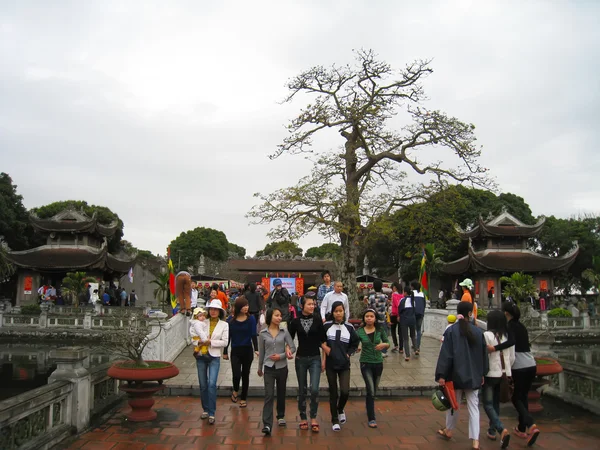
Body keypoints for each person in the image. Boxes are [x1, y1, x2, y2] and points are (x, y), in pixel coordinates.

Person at [435, 301, 488, 450]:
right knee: (474, 407)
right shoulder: (478, 332)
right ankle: (475, 440)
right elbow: (483, 355)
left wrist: (441, 375)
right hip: (473, 374)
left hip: (455, 374)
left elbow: (446, 355)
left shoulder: (451, 331)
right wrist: (483, 372)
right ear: (470, 314)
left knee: (453, 404)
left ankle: (449, 430)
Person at [489, 302, 541, 447]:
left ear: (506, 314)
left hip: (520, 366)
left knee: (516, 397)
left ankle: (530, 425)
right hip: (531, 364)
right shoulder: (522, 326)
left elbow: (511, 342)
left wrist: (494, 348)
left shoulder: (509, 327)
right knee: (523, 396)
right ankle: (522, 428)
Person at [288, 295, 326, 433]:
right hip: (301, 359)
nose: (312, 306)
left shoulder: (317, 320)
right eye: (309, 304)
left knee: (314, 389)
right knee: (302, 389)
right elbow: (290, 338)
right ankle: (303, 416)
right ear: (302, 305)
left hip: (315, 358)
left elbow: (323, 340)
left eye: (313, 304)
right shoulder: (295, 321)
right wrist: (288, 349)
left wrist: (324, 360)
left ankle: (314, 416)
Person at [322, 301, 360, 431]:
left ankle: (340, 409)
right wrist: (325, 349)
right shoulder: (326, 326)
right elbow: (320, 340)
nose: (339, 313)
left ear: (344, 312)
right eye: (336, 311)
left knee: (345, 391)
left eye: (341, 311)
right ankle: (334, 420)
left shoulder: (349, 327)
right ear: (332, 312)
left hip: (344, 364)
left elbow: (355, 343)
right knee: (333, 392)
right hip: (330, 364)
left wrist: (349, 353)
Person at [258, 307, 296, 435]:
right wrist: (259, 368)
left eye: (280, 316)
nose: (279, 318)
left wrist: (282, 356)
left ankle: (280, 416)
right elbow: (262, 352)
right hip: (268, 368)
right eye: (277, 315)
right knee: (269, 394)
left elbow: (293, 347)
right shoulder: (263, 333)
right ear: (270, 317)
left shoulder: (284, 331)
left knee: (281, 392)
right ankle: (267, 424)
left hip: (282, 367)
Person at [482, 310, 514, 447]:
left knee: (487, 404)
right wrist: (507, 369)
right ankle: (491, 431)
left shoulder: (487, 335)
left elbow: (483, 356)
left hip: (490, 374)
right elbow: (512, 357)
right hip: (503, 374)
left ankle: (501, 429)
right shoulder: (507, 336)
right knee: (495, 403)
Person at [195, 299, 229, 425]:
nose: (213, 311)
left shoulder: (224, 325)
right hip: (201, 355)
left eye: (216, 309)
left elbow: (225, 342)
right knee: (203, 384)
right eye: (212, 309)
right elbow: (193, 336)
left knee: (211, 383)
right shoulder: (203, 322)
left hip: (214, 355)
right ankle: (205, 409)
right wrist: (198, 342)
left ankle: (212, 412)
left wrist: (211, 342)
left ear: (220, 311)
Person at [356, 308, 390, 428]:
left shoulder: (380, 330)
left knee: (374, 390)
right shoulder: (359, 331)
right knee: (370, 389)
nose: (369, 318)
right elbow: (355, 343)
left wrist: (383, 345)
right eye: (367, 316)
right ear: (364, 318)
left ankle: (368, 404)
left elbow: (387, 342)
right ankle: (371, 417)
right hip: (365, 363)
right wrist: (357, 347)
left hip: (378, 363)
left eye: (371, 316)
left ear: (375, 318)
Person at [225, 297, 258, 408]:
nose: (246, 307)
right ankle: (235, 389)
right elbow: (228, 336)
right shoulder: (230, 320)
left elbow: (253, 334)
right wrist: (225, 351)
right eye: (244, 306)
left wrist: (256, 349)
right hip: (235, 350)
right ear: (239, 307)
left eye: (247, 305)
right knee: (236, 374)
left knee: (245, 374)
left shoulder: (251, 319)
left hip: (247, 350)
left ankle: (243, 397)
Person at [367, 280, 389, 357]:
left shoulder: (371, 297)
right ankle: (383, 351)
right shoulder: (385, 297)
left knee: (374, 335)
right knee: (384, 335)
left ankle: (374, 349)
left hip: (374, 319)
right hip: (383, 318)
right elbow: (387, 307)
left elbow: (369, 308)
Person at [399, 286, 417, 361]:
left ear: (405, 292)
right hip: (412, 320)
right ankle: (416, 349)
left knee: (405, 338)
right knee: (413, 335)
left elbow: (400, 310)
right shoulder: (413, 301)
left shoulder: (402, 300)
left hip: (404, 320)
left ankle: (407, 355)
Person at [411, 281, 426, 355]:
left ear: (412, 287)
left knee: (413, 330)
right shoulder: (422, 294)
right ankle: (418, 346)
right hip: (420, 313)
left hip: (413, 313)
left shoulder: (411, 293)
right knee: (419, 330)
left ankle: (415, 346)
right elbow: (424, 304)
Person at [390, 282, 404, 353]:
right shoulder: (402, 295)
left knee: (393, 330)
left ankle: (396, 345)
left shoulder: (394, 295)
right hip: (401, 314)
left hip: (394, 314)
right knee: (400, 332)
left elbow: (397, 305)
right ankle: (401, 348)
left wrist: (398, 315)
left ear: (395, 287)